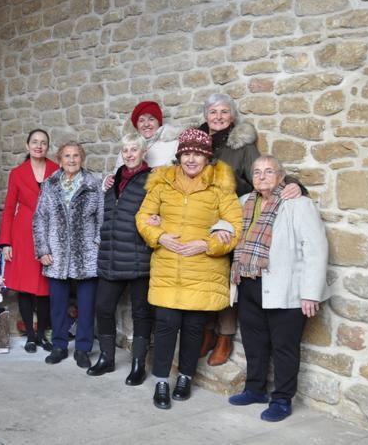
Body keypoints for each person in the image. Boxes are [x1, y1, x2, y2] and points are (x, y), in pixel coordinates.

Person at [136, 128, 242, 410]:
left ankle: (185, 376)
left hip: (204, 268)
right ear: (179, 156)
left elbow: (235, 227)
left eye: (198, 154)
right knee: (166, 324)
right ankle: (161, 381)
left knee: (194, 327)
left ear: (207, 158)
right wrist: (159, 237)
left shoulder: (221, 188)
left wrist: (207, 245)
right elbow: (143, 216)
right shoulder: (161, 184)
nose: (191, 159)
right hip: (169, 265)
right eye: (187, 153)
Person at [196, 94, 302, 366]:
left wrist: (295, 184)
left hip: (228, 215)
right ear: (205, 115)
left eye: (224, 112)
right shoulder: (195, 141)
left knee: (226, 277)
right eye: (213, 112)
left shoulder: (241, 144)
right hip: (198, 217)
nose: (218, 117)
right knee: (202, 276)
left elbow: (263, 171)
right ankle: (206, 330)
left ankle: (224, 336)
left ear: (232, 116)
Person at [227, 155, 329, 422]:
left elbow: (316, 250)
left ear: (281, 176)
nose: (262, 176)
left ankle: (282, 399)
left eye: (269, 171)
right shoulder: (244, 202)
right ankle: (255, 389)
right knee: (254, 342)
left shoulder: (298, 204)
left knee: (285, 347)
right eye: (257, 171)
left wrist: (310, 292)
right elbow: (228, 226)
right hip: (249, 283)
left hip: (286, 288)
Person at [88, 133, 153, 385]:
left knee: (142, 313)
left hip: (139, 256)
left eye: (134, 149)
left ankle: (138, 365)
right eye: (125, 150)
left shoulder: (153, 179)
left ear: (143, 152)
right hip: (111, 255)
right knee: (103, 307)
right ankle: (106, 357)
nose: (129, 154)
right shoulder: (112, 181)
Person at [32, 141, 103, 368]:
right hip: (57, 253)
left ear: (82, 158)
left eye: (75, 156)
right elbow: (40, 219)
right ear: (60, 160)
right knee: (58, 304)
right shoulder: (50, 185)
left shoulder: (94, 184)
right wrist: (43, 250)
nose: (71, 160)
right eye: (67, 156)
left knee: (87, 303)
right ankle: (59, 346)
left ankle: (83, 348)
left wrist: (97, 243)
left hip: (86, 253)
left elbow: (102, 218)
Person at [0, 129, 59, 353]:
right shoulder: (17, 173)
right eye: (34, 142)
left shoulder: (56, 169)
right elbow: (7, 209)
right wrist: (6, 242)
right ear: (27, 146)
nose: (38, 146)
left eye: (43, 143)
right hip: (23, 234)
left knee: (44, 287)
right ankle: (31, 337)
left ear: (47, 147)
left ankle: (43, 333)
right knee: (25, 288)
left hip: (49, 233)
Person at [103, 101, 181, 190]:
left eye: (151, 119)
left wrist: (163, 172)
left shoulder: (173, 144)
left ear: (158, 122)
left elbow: (181, 175)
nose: (146, 124)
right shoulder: (128, 145)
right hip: (132, 197)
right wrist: (108, 179)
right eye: (141, 120)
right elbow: (117, 173)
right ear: (136, 125)